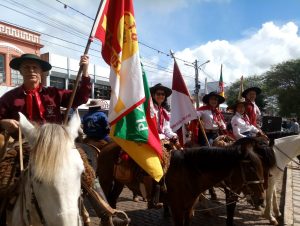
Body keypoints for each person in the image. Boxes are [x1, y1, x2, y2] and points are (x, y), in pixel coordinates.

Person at [0, 54, 128, 226]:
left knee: (83, 165)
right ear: (20, 71)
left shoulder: (54, 93)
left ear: (41, 73)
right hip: (22, 144)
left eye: (35, 67)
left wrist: (85, 72)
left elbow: (81, 97)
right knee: (3, 172)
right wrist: (4, 121)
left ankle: (105, 210)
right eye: (27, 67)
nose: (31, 70)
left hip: (57, 144)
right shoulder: (9, 97)